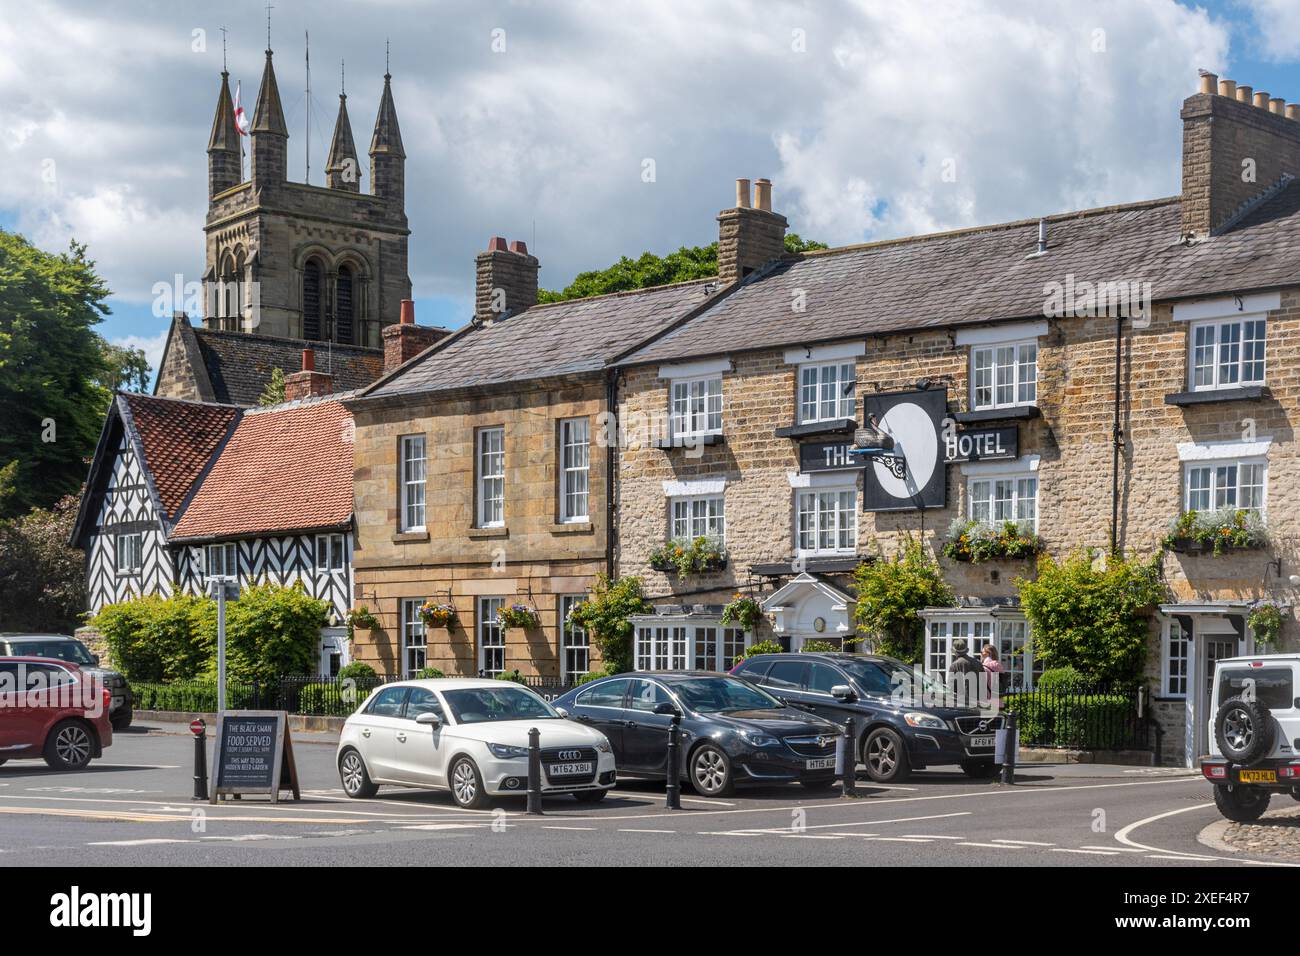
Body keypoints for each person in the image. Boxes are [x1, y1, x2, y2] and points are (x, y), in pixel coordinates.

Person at [949, 638, 983, 706]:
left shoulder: (954, 665)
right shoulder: (977, 662)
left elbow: (951, 686)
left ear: (955, 652)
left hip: (963, 702)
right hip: (979, 700)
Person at [981, 643, 1006, 708]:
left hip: (987, 702)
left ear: (987, 653)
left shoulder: (984, 667)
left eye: (982, 652)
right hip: (999, 701)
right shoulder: (999, 665)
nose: (981, 654)